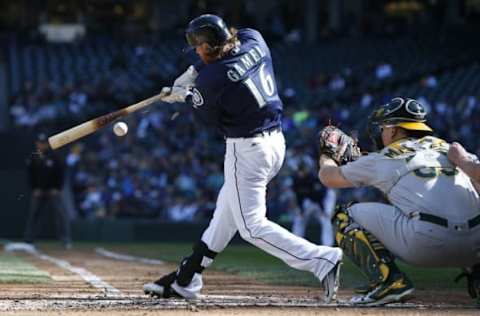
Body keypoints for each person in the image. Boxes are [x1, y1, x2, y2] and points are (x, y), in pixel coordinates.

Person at [143, 14, 343, 302]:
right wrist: (194, 71)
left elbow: (205, 118)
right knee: (225, 215)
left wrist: (185, 95)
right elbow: (224, 61)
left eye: (199, 47)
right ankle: (187, 278)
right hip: (275, 143)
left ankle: (321, 260)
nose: (197, 52)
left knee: (250, 226)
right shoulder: (254, 40)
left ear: (211, 45)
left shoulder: (212, 80)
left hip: (246, 150)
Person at [317, 97, 480, 306]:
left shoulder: (384, 157)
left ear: (393, 130)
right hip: (475, 246)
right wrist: (466, 163)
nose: (381, 132)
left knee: (345, 214)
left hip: (425, 245)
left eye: (383, 127)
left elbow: (328, 177)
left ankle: (389, 282)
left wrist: (327, 154)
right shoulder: (450, 149)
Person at [24, 133, 72, 249]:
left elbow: (60, 174)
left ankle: (65, 240)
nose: (41, 145)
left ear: (47, 144)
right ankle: (29, 240)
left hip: (53, 191)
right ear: (37, 144)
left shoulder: (54, 156)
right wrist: (34, 189)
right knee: (34, 215)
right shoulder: (34, 156)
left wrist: (57, 188)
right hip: (39, 191)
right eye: (40, 143)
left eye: (44, 143)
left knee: (60, 214)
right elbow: (30, 175)